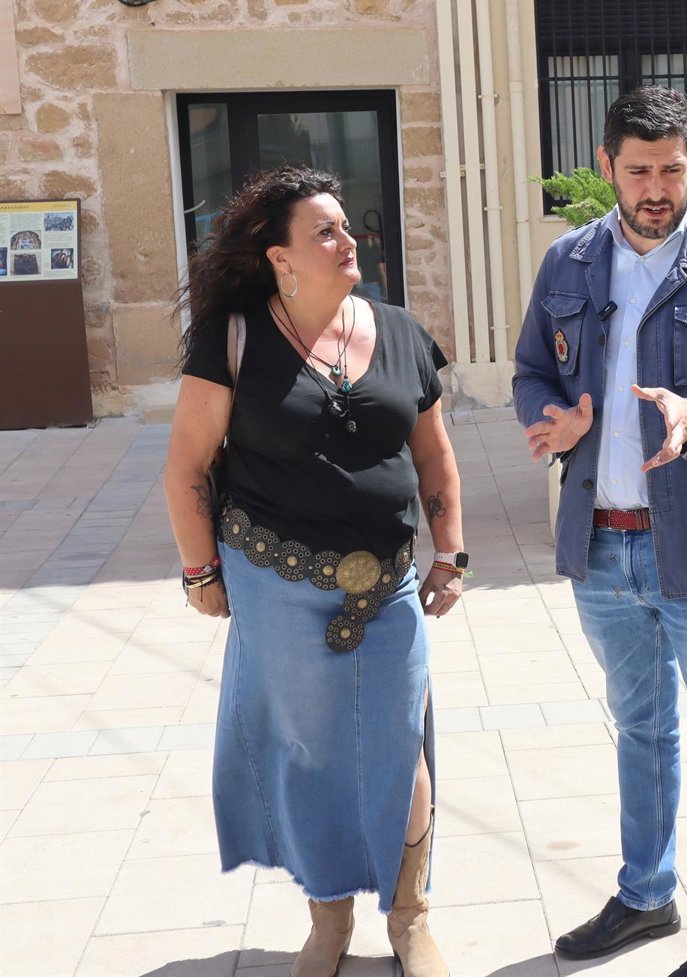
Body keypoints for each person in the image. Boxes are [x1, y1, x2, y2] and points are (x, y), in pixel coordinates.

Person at [164, 164, 465, 977]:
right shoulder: (234, 338)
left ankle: (409, 916)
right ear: (281, 258)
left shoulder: (401, 332)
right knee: (309, 753)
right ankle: (328, 919)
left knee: (400, 749)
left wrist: (451, 553)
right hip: (276, 585)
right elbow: (186, 466)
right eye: (324, 231)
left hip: (388, 586)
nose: (346, 239)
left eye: (346, 225)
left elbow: (435, 457)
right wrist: (201, 573)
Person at [513, 87, 687, 977]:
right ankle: (646, 894)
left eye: (671, 169)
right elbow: (531, 368)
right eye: (638, 170)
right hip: (601, 545)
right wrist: (551, 420)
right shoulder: (569, 261)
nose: (656, 188)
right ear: (608, 167)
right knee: (640, 728)